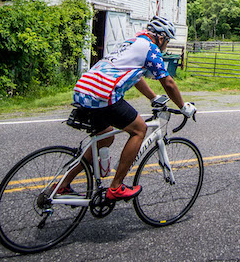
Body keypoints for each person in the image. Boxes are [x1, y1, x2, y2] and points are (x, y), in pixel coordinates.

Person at [67, 15, 195, 201]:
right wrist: (183, 107)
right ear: (160, 38)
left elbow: (136, 76)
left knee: (106, 136)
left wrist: (153, 97)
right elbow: (168, 81)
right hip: (102, 93)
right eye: (166, 40)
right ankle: (116, 187)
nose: (166, 45)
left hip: (83, 89)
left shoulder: (132, 42)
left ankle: (62, 185)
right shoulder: (151, 49)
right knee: (139, 129)